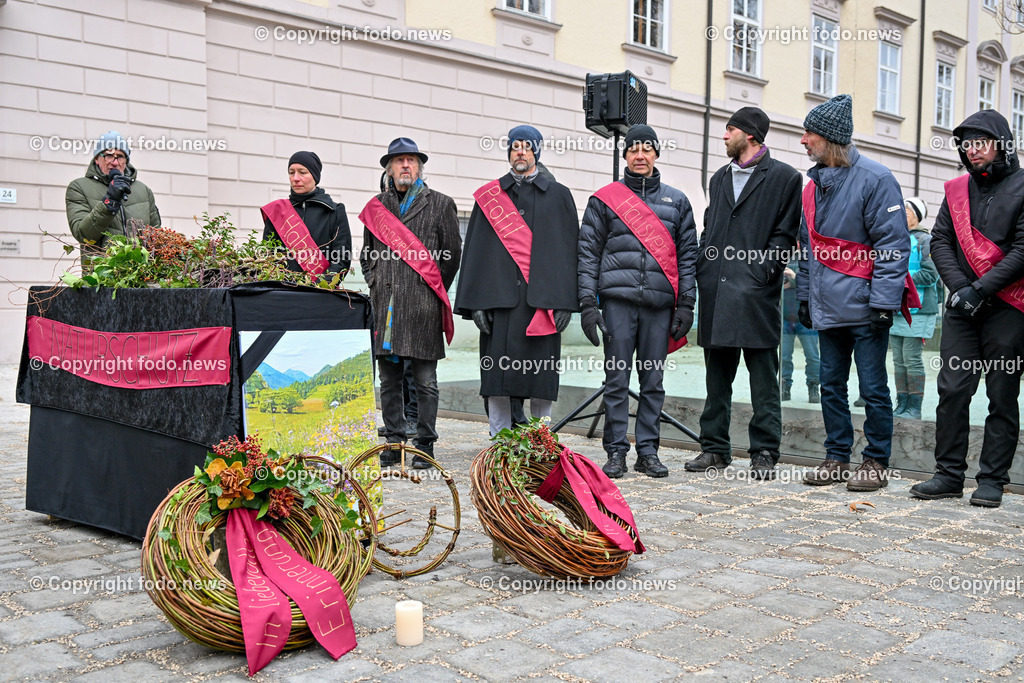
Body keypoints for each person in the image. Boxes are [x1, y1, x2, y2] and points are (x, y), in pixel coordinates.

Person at [796, 94, 910, 492]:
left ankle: (876, 461)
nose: (803, 140)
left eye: (809, 133)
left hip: (864, 307)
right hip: (827, 307)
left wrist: (882, 302)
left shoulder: (876, 179)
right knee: (831, 385)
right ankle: (837, 457)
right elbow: (808, 248)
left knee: (873, 388)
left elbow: (893, 247)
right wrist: (805, 298)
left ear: (828, 138)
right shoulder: (810, 188)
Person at [910, 110, 1024, 508]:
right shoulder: (958, 189)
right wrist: (961, 288)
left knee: (1002, 393)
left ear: (1001, 145)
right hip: (962, 306)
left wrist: (981, 288)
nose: (971, 150)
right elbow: (940, 240)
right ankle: (948, 475)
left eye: (980, 142)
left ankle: (992, 479)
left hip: (1009, 307)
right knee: (953, 390)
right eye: (966, 144)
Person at [686, 107, 801, 479]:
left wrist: (762, 273)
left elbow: (785, 235)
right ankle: (714, 449)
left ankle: (765, 451)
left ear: (750, 134)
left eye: (730, 129)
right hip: (717, 291)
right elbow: (711, 227)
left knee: (763, 379)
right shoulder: (720, 177)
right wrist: (705, 266)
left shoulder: (785, 177)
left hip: (757, 295)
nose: (724, 135)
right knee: (716, 378)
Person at [578, 124, 698, 478]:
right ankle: (616, 451)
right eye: (634, 149)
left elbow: (688, 258)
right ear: (625, 155)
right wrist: (587, 303)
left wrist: (686, 304)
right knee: (616, 380)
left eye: (647, 149)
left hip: (660, 307)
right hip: (617, 303)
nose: (640, 155)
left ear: (657, 153)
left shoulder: (677, 202)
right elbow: (587, 254)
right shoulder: (604, 200)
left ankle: (648, 451)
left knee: (653, 382)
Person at [455, 125, 579, 435]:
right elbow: (475, 253)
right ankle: (498, 438)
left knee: (541, 379)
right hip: (500, 305)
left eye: (526, 146)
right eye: (514, 147)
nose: (519, 152)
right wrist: (476, 305)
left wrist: (566, 302)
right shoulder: (491, 197)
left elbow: (570, 251)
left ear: (537, 151)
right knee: (498, 379)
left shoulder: (560, 195)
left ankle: (541, 440)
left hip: (543, 305)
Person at [358, 138, 462, 468]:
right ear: (389, 168)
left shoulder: (441, 204)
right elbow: (366, 253)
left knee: (425, 380)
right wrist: (374, 280)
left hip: (422, 309)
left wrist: (432, 289)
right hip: (386, 305)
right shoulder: (377, 206)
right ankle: (394, 442)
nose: (406, 166)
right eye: (399, 161)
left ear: (419, 168)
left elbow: (452, 255)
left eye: (412, 161)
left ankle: (425, 444)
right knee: (388, 380)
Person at [65, 130, 162, 268]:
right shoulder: (79, 187)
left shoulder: (143, 191)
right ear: (97, 159)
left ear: (126, 161)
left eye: (120, 156)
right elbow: (84, 235)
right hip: (102, 277)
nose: (115, 162)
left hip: (141, 277)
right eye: (109, 155)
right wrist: (109, 201)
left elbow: (155, 236)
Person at [262, 151, 352, 281]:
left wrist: (319, 287)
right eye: (291, 172)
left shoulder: (334, 211)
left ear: (315, 176)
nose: (295, 178)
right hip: (283, 292)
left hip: (321, 294)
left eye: (302, 172)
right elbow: (268, 256)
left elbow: (341, 260)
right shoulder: (278, 211)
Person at [890, 197, 939, 420]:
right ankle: (902, 404)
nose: (904, 213)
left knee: (911, 357)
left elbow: (931, 274)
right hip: (898, 307)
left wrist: (901, 280)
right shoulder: (897, 237)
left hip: (919, 309)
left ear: (918, 215)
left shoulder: (926, 240)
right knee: (898, 359)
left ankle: (915, 406)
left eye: (908, 210)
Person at [781, 261, 821, 403]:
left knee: (812, 356)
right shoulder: (781, 257)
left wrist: (795, 278)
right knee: (784, 356)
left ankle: (813, 386)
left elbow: (817, 285)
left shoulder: (811, 258)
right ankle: (784, 386)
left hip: (806, 317)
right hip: (784, 316)